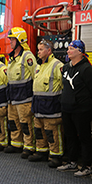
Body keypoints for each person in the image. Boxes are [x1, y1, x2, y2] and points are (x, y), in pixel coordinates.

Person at [57, 40, 92, 177]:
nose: (68, 51)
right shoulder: (66, 67)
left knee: (84, 137)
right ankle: (72, 161)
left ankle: (87, 165)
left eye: (71, 49)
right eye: (68, 48)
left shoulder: (87, 69)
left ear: (80, 51)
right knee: (70, 136)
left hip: (82, 110)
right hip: (67, 108)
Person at [28, 40, 64, 168]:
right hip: (38, 106)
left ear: (49, 51)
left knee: (52, 132)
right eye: (38, 49)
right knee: (39, 131)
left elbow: (64, 84)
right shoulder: (39, 66)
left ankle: (56, 155)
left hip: (51, 107)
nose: (38, 52)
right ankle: (41, 152)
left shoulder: (57, 65)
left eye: (41, 49)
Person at [5, 27, 37, 159]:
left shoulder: (27, 56)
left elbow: (35, 74)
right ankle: (16, 143)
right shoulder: (12, 57)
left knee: (25, 122)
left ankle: (29, 146)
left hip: (24, 96)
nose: (10, 42)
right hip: (12, 96)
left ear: (20, 40)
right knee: (13, 121)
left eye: (12, 39)